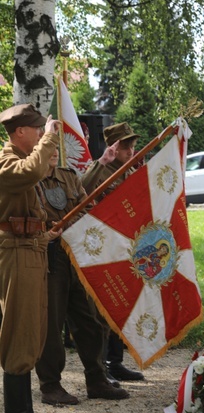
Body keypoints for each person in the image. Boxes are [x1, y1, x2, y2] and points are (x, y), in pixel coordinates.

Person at [35, 147, 130, 405]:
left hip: (76, 255)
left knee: (90, 320)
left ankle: (97, 379)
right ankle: (50, 386)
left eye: (56, 147)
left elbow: (86, 207)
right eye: (48, 145)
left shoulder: (69, 176)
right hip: (47, 258)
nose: (53, 152)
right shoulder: (28, 179)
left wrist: (69, 222)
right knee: (51, 326)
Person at [0, 103, 60, 413]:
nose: (41, 133)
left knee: (33, 331)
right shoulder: (6, 161)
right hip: (15, 253)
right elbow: (33, 172)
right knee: (19, 334)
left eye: (42, 128)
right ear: (19, 131)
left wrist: (44, 235)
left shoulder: (22, 159)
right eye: (36, 128)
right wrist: (48, 141)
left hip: (30, 248)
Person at [82, 122, 144, 382]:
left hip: (128, 246)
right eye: (125, 145)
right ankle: (103, 366)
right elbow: (82, 190)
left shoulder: (133, 169)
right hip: (104, 246)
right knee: (104, 307)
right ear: (113, 147)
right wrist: (101, 163)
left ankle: (115, 362)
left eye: (132, 144)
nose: (131, 149)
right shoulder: (99, 169)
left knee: (123, 304)